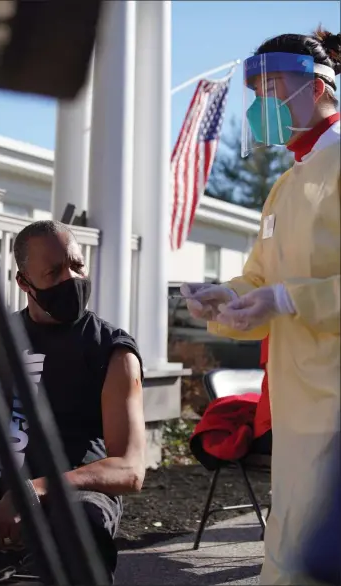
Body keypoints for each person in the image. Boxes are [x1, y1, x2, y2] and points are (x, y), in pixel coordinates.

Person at [181, 28, 340, 585]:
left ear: (318, 84)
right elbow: (259, 279)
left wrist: (289, 298)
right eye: (254, 92)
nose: (259, 104)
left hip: (336, 406)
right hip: (296, 409)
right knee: (289, 553)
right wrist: (225, 300)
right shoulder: (283, 185)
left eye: (271, 86)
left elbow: (284, 292)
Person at [0, 220, 146, 583]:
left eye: (77, 266)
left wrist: (32, 489)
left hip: (72, 493)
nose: (72, 279)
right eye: (54, 272)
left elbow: (130, 469)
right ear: (24, 283)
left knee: (80, 534)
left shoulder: (110, 350)